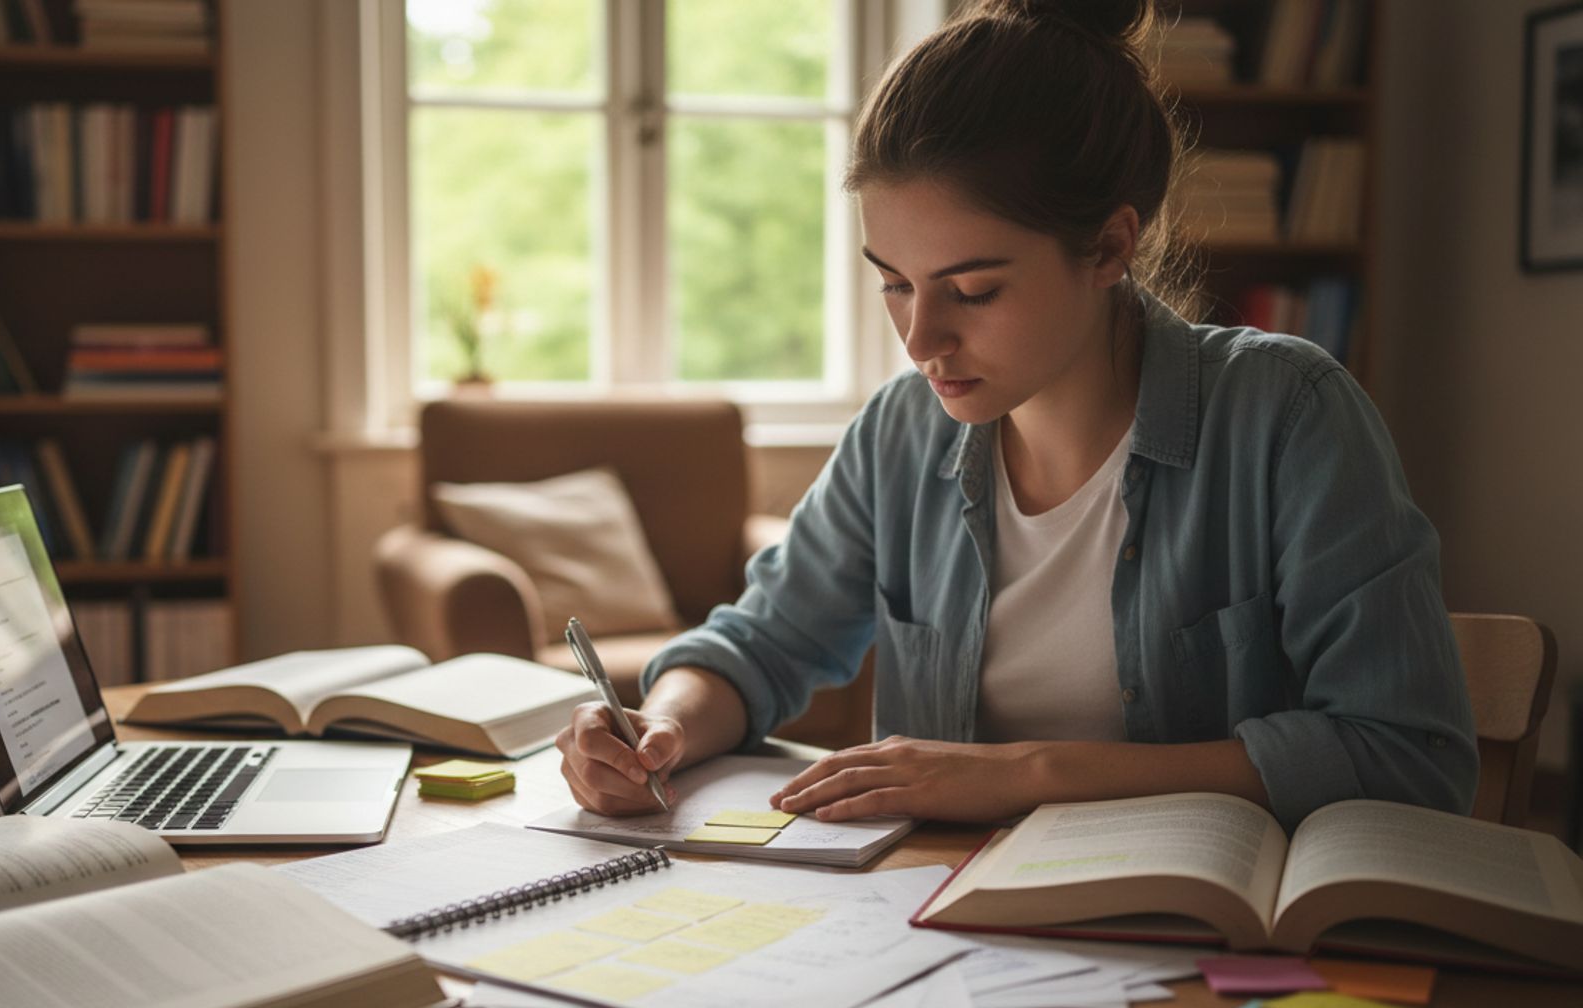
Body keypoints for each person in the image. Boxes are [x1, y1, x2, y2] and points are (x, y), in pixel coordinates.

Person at [555, 0, 1479, 831]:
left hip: (1204, 954)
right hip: (936, 932)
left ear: (1111, 244)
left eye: (974, 290)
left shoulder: (1289, 417)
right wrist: (663, 721)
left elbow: (1409, 756)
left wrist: (1024, 773)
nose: (921, 340)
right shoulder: (899, 436)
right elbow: (759, 645)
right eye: (895, 284)